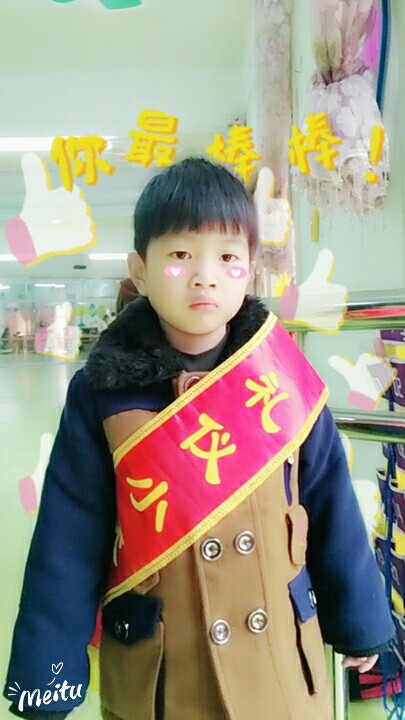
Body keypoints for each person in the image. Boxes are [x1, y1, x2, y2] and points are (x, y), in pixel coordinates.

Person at [4, 158, 395, 720]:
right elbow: (70, 535)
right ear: (141, 270)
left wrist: (359, 620)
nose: (205, 276)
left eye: (228, 258)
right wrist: (48, 674)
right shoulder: (101, 392)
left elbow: (328, 498)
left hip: (280, 659)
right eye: (180, 256)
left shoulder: (279, 373)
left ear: (250, 270)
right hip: (162, 672)